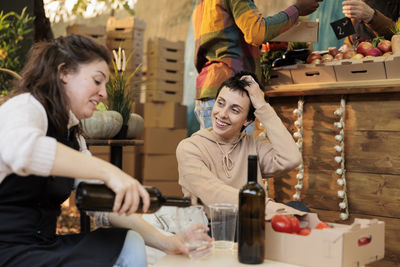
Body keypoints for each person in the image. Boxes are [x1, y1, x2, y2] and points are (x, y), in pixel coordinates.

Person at [0, 34, 211, 267]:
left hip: (42, 247)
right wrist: (110, 172)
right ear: (64, 73)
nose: (104, 94)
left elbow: (104, 206)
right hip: (7, 252)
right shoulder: (25, 107)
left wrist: (167, 241)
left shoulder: (72, 134)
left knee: (128, 244)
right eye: (97, 81)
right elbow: (24, 152)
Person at [177, 71, 307, 214]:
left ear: (247, 121)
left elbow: (291, 159)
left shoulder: (254, 145)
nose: (222, 114)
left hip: (252, 222)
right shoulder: (190, 147)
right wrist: (270, 207)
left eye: (235, 110)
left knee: (298, 208)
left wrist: (262, 106)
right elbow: (213, 193)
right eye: (220, 103)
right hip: (213, 227)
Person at [193, 0, 323, 131]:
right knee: (236, 151)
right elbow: (256, 32)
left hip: (208, 90)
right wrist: (297, 10)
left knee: (216, 151)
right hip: (231, 93)